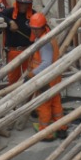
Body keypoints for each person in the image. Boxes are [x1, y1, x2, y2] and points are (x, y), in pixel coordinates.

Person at [28, 11, 66, 141]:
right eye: (33, 29)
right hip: (54, 77)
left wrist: (32, 74)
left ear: (43, 27)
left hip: (46, 78)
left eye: (36, 29)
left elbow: (46, 63)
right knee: (56, 103)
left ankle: (46, 133)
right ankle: (61, 128)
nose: (34, 32)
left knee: (44, 105)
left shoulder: (44, 42)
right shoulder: (49, 36)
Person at [0, 0, 34, 84]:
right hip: (13, 52)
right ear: (17, 3)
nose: (24, 6)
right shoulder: (10, 13)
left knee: (30, 78)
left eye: (26, 3)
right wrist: (9, 21)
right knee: (13, 80)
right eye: (21, 3)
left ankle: (30, 98)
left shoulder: (33, 14)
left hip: (28, 51)